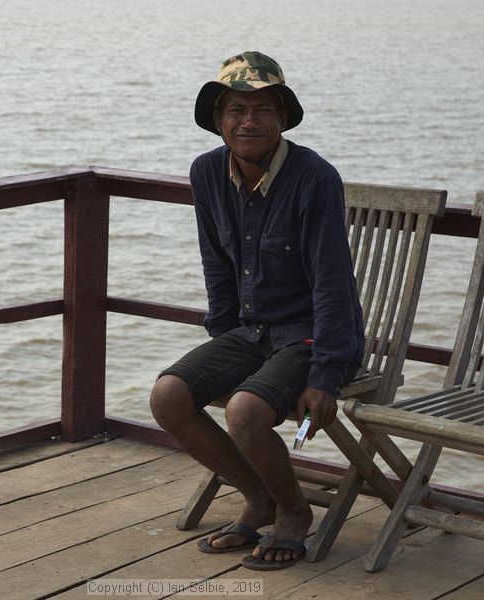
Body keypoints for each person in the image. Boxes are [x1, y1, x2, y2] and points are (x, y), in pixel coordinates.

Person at [149, 51, 364, 571]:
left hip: (310, 336)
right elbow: (215, 265)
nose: (249, 121)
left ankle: (293, 511)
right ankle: (258, 495)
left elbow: (334, 281)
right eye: (237, 109)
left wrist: (327, 373)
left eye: (263, 109)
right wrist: (224, 343)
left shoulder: (314, 176)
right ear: (218, 119)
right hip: (248, 332)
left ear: (283, 118)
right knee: (168, 396)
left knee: (245, 412)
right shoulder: (206, 172)